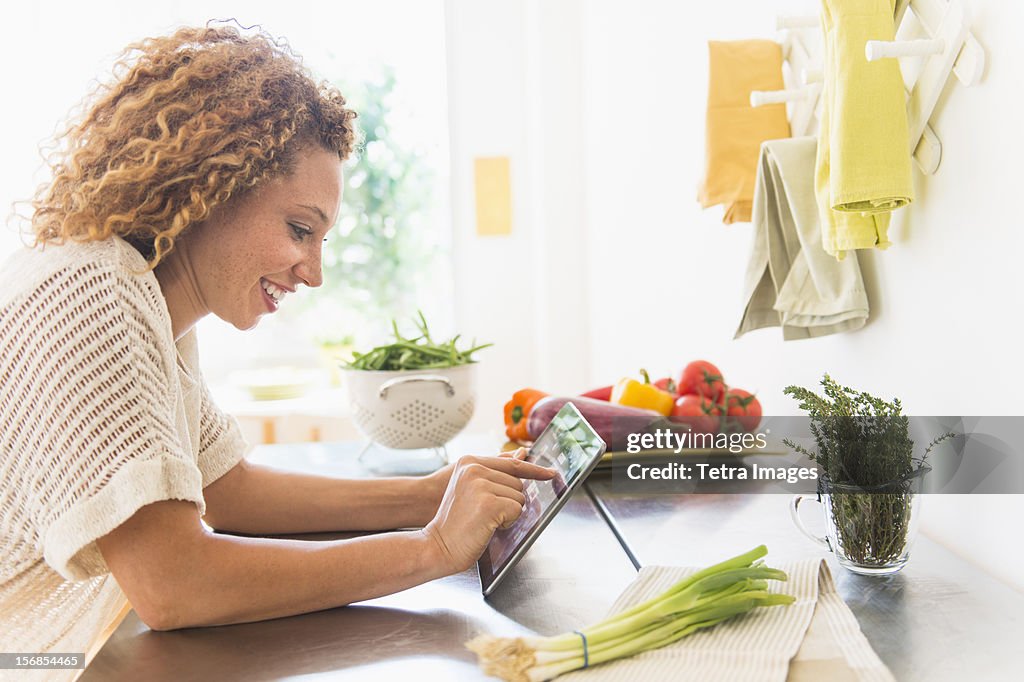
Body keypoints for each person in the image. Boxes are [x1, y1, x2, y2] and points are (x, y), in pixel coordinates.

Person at [0, 24, 553, 667]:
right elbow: (173, 584)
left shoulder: (146, 302)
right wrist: (431, 549)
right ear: (210, 186)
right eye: (299, 230)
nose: (313, 272)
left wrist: (430, 493)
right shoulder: (89, 297)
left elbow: (228, 489)